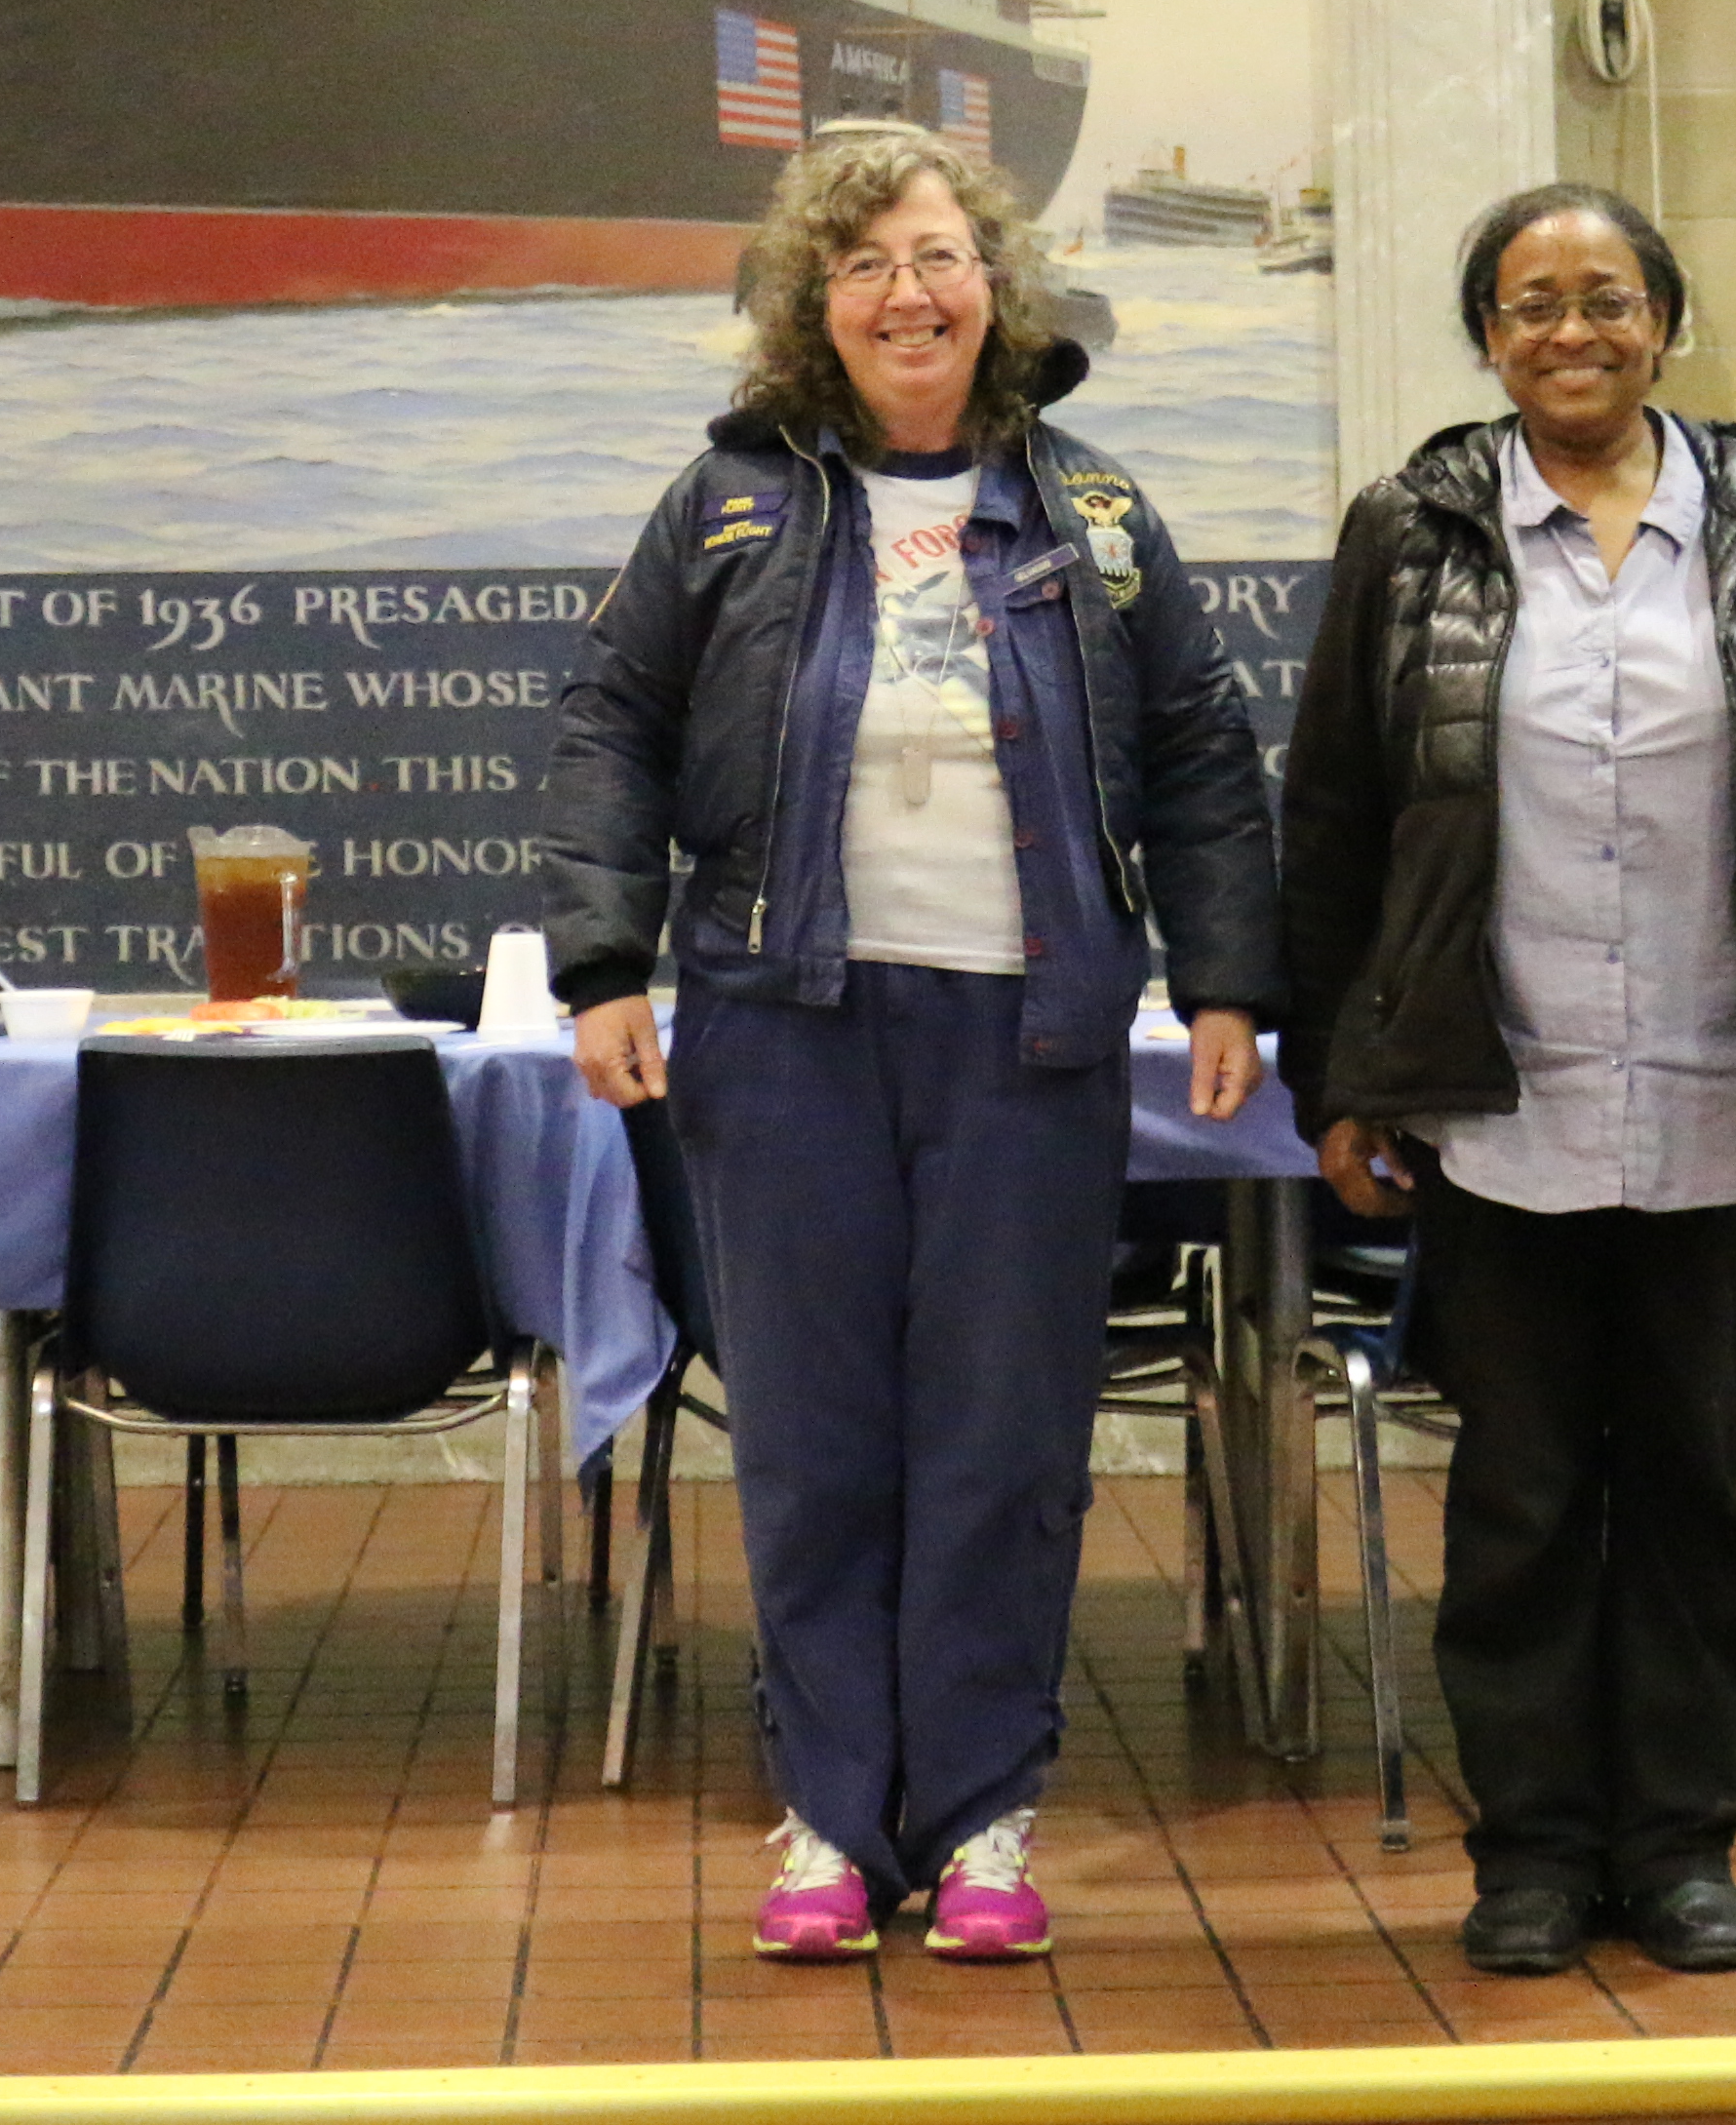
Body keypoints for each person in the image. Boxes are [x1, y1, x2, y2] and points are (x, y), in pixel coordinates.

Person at [543, 126, 1279, 1967]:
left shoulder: (1095, 513)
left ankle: (978, 1819)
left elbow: (1197, 752)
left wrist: (1222, 979)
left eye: (938, 253)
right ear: (817, 306)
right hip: (780, 1026)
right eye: (864, 262)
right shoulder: (724, 503)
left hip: (1026, 1031)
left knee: (1000, 1437)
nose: (907, 291)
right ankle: (824, 1816)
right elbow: (611, 724)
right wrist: (602, 955)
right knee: (810, 1436)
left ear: (995, 284)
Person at [1282, 182, 1736, 1984]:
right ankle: (1528, 1851)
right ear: (1486, 335)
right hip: (1497, 1107)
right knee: (1513, 1504)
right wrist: (1337, 1072)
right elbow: (1338, 822)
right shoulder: (1411, 531)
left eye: (1604, 297)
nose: (1568, 330)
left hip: (1725, 1102)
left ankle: (1675, 1844)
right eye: (1529, 302)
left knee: (1691, 1494)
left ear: (1664, 316)